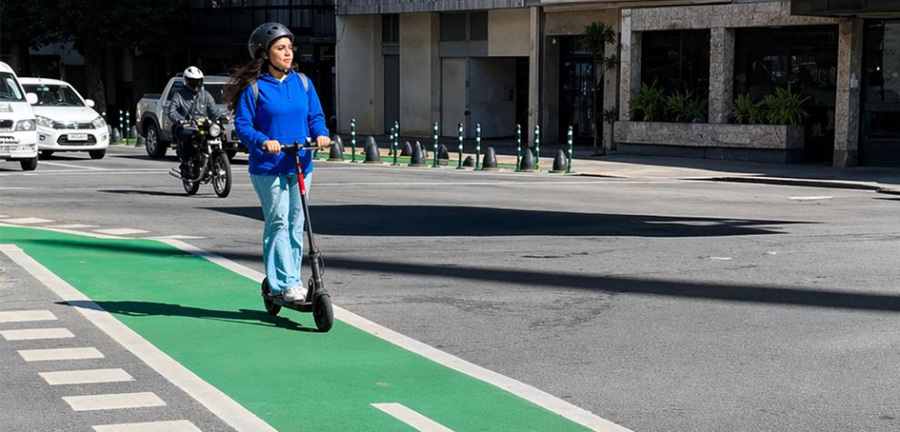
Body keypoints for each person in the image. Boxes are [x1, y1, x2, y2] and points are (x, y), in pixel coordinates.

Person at [225, 22, 330, 303]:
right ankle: (284, 283)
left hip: (300, 162)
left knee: (297, 222)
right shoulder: (255, 88)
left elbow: (316, 117)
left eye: (290, 48)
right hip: (268, 167)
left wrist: (321, 135)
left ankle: (291, 279)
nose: (288, 53)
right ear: (264, 54)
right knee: (279, 220)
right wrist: (262, 141)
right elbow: (244, 125)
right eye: (280, 48)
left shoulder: (304, 84)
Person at [168, 66, 228, 179]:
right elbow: (172, 111)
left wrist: (221, 117)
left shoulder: (206, 95)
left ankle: (215, 159)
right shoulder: (179, 95)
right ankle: (186, 164)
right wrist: (180, 120)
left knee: (220, 133)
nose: (196, 85)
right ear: (186, 81)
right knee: (186, 136)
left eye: (198, 81)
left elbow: (214, 111)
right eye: (193, 82)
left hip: (203, 126)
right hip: (186, 126)